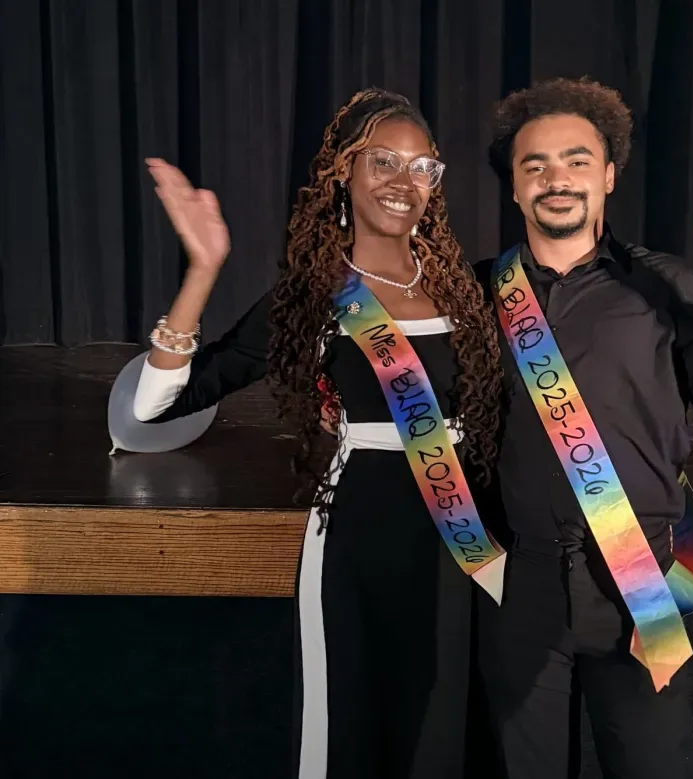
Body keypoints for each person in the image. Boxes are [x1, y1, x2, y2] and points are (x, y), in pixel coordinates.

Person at [131, 89, 506, 779]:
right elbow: (159, 405)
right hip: (358, 530)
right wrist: (203, 269)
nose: (405, 181)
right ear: (342, 169)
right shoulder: (313, 297)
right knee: (350, 728)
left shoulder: (467, 292)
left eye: (423, 167)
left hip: (462, 538)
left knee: (446, 728)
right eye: (384, 161)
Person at [474, 77, 693, 779]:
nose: (557, 179)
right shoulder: (479, 293)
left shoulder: (663, 284)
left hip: (638, 575)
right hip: (521, 583)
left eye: (577, 160)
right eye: (535, 165)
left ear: (608, 176)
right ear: (514, 188)